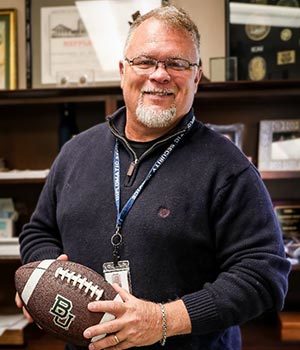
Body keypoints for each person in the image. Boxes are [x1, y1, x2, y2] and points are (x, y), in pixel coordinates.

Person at [16, 5, 290, 350]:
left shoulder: (229, 168)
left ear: (196, 77)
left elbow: (264, 276)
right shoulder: (75, 152)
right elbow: (39, 230)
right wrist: (43, 276)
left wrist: (163, 320)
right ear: (122, 71)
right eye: (145, 61)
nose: (159, 75)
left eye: (177, 63)